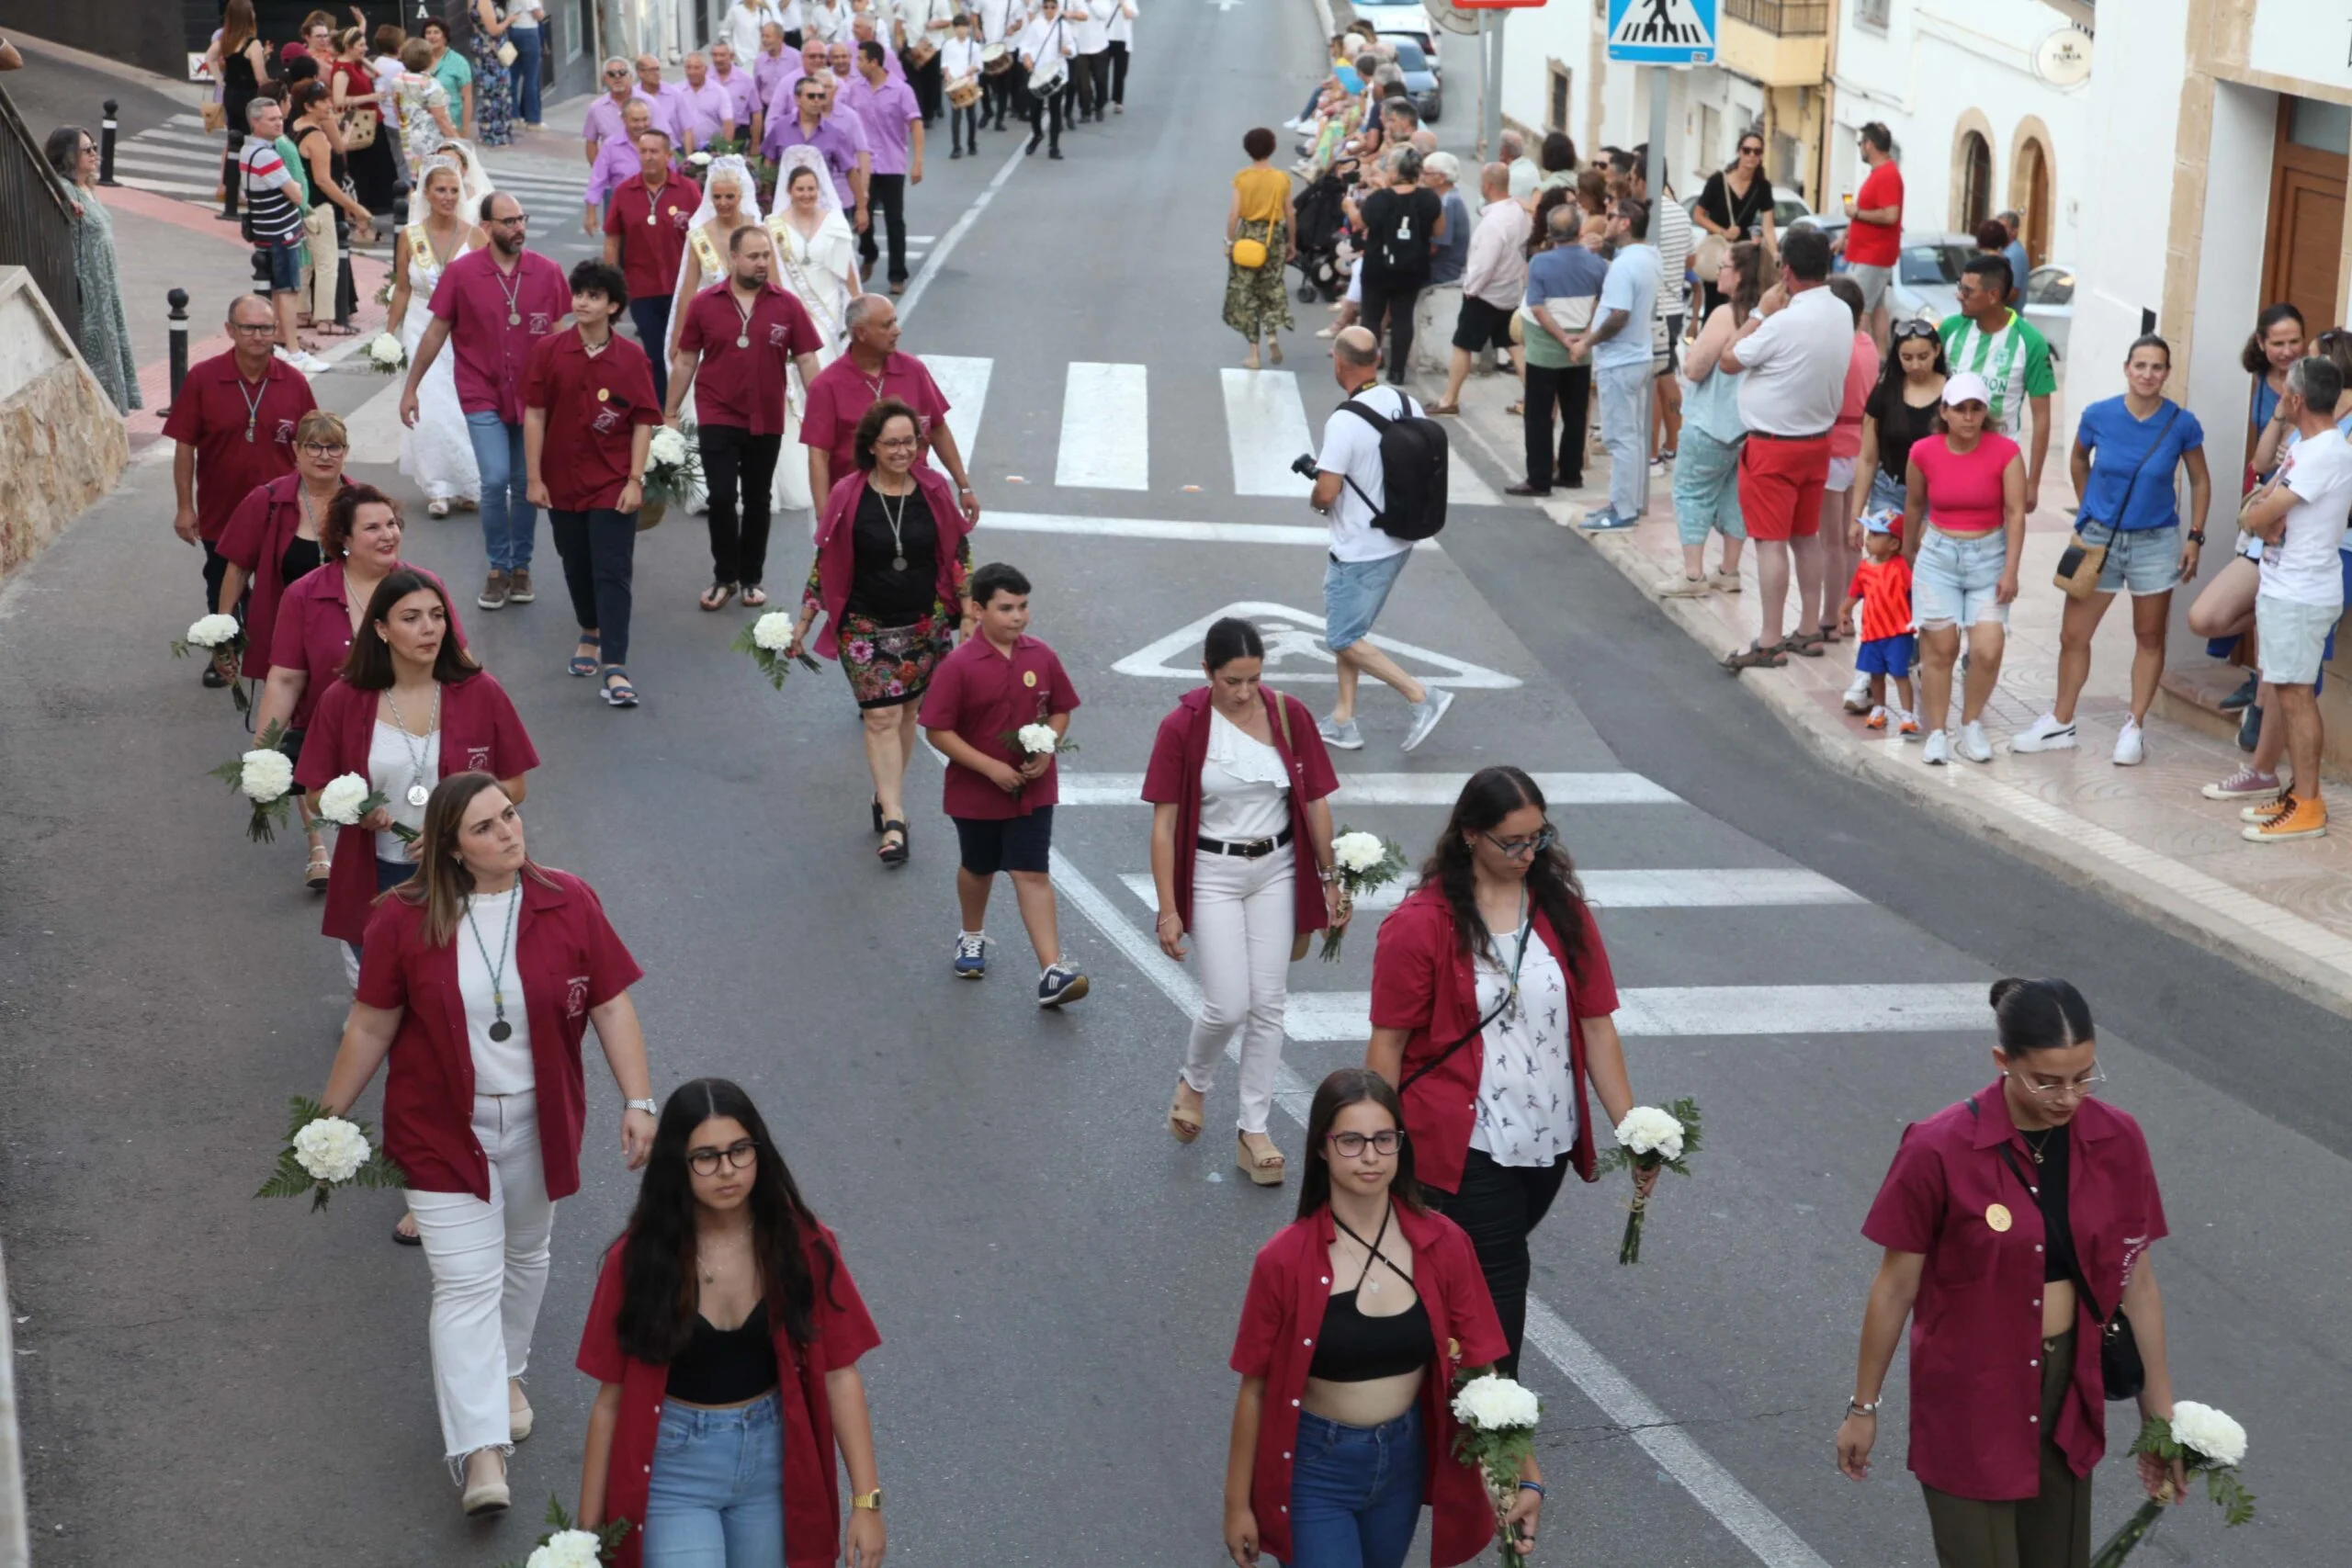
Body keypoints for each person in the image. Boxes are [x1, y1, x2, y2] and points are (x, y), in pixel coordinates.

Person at [317, 770, 650, 1514]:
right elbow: (371, 1023)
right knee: (466, 1281)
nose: (509, 832)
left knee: (526, 1253)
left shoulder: (568, 900)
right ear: (453, 849)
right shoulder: (401, 918)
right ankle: (481, 1453)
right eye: (486, 828)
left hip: (541, 1118)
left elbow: (610, 1003)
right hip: (441, 1127)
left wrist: (639, 1099)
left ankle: (506, 1369)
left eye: (508, 816)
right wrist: (328, 1116)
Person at [1838, 978, 2188, 1568]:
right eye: (2046, 1080)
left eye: (2083, 1077)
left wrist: (2160, 1421)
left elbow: (2138, 1284)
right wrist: (1862, 1408)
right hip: (1971, 1396)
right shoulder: (1939, 1148)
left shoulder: (2118, 1140)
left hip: (2069, 1389)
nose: (2067, 1096)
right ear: (2003, 1062)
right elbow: (1896, 1286)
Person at [1363, 767, 1648, 1377]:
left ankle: (1431, 1376)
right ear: (1471, 836)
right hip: (1466, 1142)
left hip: (1546, 1141)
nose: (1527, 853)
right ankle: (1499, 1430)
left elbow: (1597, 1025)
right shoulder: (1421, 924)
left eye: (1537, 838)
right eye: (1512, 841)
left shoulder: (1563, 913)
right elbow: (1388, 1044)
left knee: (1466, 1277)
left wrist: (1633, 1129)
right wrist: (1379, 1143)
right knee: (1500, 1275)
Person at [1222, 1068, 1540, 1568]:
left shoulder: (1446, 1244)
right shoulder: (1282, 1260)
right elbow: (1255, 1390)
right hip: (1315, 1471)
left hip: (1402, 1464)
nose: (1370, 1156)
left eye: (1384, 1139)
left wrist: (1524, 1475)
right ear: (1322, 1148)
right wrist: (1237, 1506)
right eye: (1351, 1140)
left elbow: (1483, 1370)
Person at [575, 1078, 888, 1566]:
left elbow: (840, 1375)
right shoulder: (636, 1261)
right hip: (674, 1475)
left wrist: (866, 1504)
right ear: (677, 1166)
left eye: (740, 1151)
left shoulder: (803, 1245)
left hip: (772, 1466)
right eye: (706, 1157)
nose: (727, 1170)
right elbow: (610, 1405)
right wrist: (585, 1536)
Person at [1145, 619, 1342, 1183]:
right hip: (1213, 872)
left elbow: (1317, 800)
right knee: (1227, 1004)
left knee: (1268, 1003)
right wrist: (1168, 907)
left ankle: (1254, 1130)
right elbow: (1165, 826)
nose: (1243, 692)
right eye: (1232, 680)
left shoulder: (1288, 714)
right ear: (1206, 671)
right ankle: (1195, 1082)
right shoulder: (1183, 727)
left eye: (1253, 679)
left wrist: (1331, 879)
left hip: (1277, 868)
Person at [296, 565, 536, 954]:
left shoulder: (481, 692)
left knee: (463, 993)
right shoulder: (342, 700)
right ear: (381, 629)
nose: (430, 628)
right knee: (383, 998)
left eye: (437, 615)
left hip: (468, 871)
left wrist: (449, 828)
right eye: (411, 618)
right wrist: (358, 810)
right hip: (379, 874)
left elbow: (516, 786)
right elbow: (315, 793)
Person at [784, 398, 975, 866]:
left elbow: (957, 553)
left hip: (924, 623)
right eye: (892, 443)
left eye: (910, 441)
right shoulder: (848, 494)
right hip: (864, 629)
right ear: (872, 446)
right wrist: (804, 623)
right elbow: (825, 564)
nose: (903, 450)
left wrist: (969, 613)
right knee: (881, 717)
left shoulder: (932, 489)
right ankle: (895, 818)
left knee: (907, 713)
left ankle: (884, 794)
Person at [2012, 336, 2213, 767]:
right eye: (2140, 365)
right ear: (2126, 368)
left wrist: (2195, 535)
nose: (2147, 374)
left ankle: (2134, 726)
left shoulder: (2181, 423)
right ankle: (2061, 721)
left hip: (2156, 542)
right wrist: (2088, 507)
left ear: (2167, 373)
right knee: (2073, 635)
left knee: (2149, 636)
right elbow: (2079, 458)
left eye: (2157, 367)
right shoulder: (2098, 415)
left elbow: (2199, 479)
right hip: (2097, 537)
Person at [918, 561, 1087, 1002]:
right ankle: (971, 933)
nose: (1018, 617)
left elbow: (1061, 709)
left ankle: (1052, 970)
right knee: (978, 866)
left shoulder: (1041, 656)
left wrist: (1047, 746)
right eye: (1006, 608)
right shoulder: (959, 665)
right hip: (976, 791)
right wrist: (989, 767)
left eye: (1023, 606)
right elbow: (937, 729)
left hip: (1033, 789)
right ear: (978, 610)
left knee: (1032, 871)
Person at [401, 191, 571, 612]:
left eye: (522, 219)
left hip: (533, 398)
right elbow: (437, 331)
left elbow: (560, 336)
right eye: (509, 221)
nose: (519, 228)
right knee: (495, 479)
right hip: (481, 391)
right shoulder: (462, 274)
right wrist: (411, 387)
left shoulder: (547, 272)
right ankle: (498, 566)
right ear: (488, 227)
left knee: (528, 481)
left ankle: (521, 566)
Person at [522, 261, 662, 709]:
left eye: (594, 295)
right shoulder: (549, 351)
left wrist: (635, 480)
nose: (582, 302)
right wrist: (534, 477)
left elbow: (643, 421)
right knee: (575, 562)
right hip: (562, 480)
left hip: (612, 481)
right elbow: (535, 414)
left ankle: (615, 665)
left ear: (613, 306)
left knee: (612, 569)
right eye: (579, 293)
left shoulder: (632, 359)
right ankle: (590, 629)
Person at [1307, 328, 1453, 753]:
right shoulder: (1406, 401)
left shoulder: (1344, 420)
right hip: (1397, 538)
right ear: (1377, 358)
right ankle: (1342, 719)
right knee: (1351, 627)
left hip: (1358, 549)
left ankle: (1422, 697)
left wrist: (1316, 499)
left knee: (1343, 636)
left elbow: (1327, 493)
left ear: (1339, 361)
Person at [666, 225, 825, 611]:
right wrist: (669, 412)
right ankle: (725, 575)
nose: (761, 263)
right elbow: (686, 359)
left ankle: (751, 577)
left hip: (766, 416)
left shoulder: (785, 305)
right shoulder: (706, 303)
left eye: (766, 256)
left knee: (757, 499)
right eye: (753, 256)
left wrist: (821, 409)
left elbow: (806, 358)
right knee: (721, 497)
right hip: (717, 412)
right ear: (733, 258)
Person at [1716, 226, 1850, 671]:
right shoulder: (1841, 312)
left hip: (1774, 445)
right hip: (1817, 443)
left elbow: (1729, 358)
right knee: (1805, 538)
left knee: (1771, 543)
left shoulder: (1784, 320)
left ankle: (1771, 637)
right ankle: (1809, 627)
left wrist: (1761, 311)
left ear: (1786, 271)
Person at [2232, 355, 2352, 841]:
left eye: (2286, 391)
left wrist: (2260, 511)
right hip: (2287, 589)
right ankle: (2298, 792)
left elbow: (2257, 516)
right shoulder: (2310, 446)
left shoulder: (2324, 452)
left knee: (2298, 697)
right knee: (2287, 690)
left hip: (2301, 593)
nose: (2280, 396)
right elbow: (2260, 506)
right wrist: (2261, 510)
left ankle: (2308, 803)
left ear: (2297, 400)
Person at [165, 295, 319, 665]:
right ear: (230, 330)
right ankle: (225, 654)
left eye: (266, 328)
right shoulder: (203, 378)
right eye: (248, 327)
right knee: (222, 584)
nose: (258, 336)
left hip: (281, 510)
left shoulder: (294, 382)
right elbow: (185, 446)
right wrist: (185, 507)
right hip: (223, 508)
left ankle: (284, 656)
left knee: (284, 583)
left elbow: (314, 446)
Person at [1904, 371, 2027, 766]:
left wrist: (2011, 569)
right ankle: (1936, 731)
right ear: (1944, 411)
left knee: (1988, 648)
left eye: (1976, 409)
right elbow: (1914, 504)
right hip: (1938, 555)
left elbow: (2015, 513)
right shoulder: (1923, 451)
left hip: (1989, 556)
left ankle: (1970, 722)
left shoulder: (2005, 452)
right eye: (1960, 409)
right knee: (1940, 648)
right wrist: (1908, 553)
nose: (1969, 418)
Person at [800, 295, 978, 519]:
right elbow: (818, 456)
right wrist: (825, 519)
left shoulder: (914, 370)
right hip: (857, 507)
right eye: (887, 325)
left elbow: (938, 429)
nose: (897, 330)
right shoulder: (826, 386)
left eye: (895, 321)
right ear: (861, 333)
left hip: (914, 499)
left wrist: (964, 487)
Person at [389, 155, 489, 517]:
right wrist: (388, 334)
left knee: (460, 405)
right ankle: (438, 486)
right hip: (420, 323)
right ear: (426, 194)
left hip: (461, 331)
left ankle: (467, 481)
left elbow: (486, 288)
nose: (448, 196)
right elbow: (401, 287)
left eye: (453, 190)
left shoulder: (475, 235)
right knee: (427, 405)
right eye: (440, 190)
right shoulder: (409, 237)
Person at [1663, 240, 1762, 594]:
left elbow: (1694, 368)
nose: (1718, 271)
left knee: (1691, 493)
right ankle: (1729, 570)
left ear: (1739, 275)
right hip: (1747, 428)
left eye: (1724, 266)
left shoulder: (1726, 315)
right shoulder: (1769, 318)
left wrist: (1691, 357)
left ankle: (1692, 574)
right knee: (1735, 494)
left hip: (1711, 423)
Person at [1938, 254, 2056, 508]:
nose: (1960, 296)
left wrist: (2033, 482)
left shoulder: (2031, 341)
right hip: (1949, 455)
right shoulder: (1949, 329)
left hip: (1999, 463)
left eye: (1967, 291)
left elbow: (2042, 418)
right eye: (1960, 287)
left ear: (1993, 295)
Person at [1571, 196, 1660, 532]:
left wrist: (1587, 342)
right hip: (1638, 356)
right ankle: (1628, 502)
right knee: (1633, 437)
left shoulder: (1625, 266)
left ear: (1624, 223)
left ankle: (1621, 511)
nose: (1605, 221)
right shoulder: (1647, 257)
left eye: (1611, 216)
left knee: (1620, 439)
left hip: (1620, 361)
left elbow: (1619, 315)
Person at [1508, 204, 1605, 499]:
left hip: (1545, 351)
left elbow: (1537, 306)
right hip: (1581, 351)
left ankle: (1539, 478)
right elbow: (1602, 300)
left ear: (1551, 234)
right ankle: (1570, 472)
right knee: (1576, 414)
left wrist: (1562, 338)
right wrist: (1584, 336)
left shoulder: (1539, 263)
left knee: (1539, 415)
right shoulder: (1598, 264)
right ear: (1579, 231)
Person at [602, 128, 702, 410]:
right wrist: (611, 290)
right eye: (643, 151)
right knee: (655, 353)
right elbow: (612, 242)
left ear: (668, 156)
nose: (648, 157)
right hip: (642, 289)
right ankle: (661, 412)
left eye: (654, 151)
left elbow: (701, 239)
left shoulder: (688, 190)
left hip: (682, 289)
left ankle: (686, 409)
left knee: (683, 350)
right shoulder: (624, 192)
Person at [42, 127, 139, 414]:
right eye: (87, 149)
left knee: (112, 337)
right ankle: (99, 407)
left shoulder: (88, 188)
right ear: (68, 155)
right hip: (87, 283)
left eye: (95, 147)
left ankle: (114, 405)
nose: (95, 153)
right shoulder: (64, 188)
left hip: (105, 282)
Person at [1808, 276, 1881, 650]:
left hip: (1834, 443)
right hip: (1863, 447)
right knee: (1853, 538)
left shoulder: (1836, 349)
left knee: (1830, 540)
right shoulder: (1868, 344)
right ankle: (1848, 613)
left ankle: (1829, 616)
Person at [235, 97, 328, 373]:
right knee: (288, 291)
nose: (279, 122)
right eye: (272, 119)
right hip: (280, 232)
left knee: (281, 290)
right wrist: (296, 182)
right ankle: (293, 351)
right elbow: (298, 195)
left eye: (279, 117)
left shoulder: (248, 150)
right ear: (255, 122)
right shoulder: (266, 155)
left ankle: (280, 343)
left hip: (267, 230)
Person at [1428, 164, 1526, 419]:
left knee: (1462, 345)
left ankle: (1450, 399)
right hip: (1510, 291)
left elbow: (1485, 264)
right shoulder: (1518, 212)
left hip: (1486, 295)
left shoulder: (1494, 222)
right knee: (1515, 346)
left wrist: (1471, 289)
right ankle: (1535, 399)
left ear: (1489, 186)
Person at [290, 81, 375, 338]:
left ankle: (302, 313)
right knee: (327, 264)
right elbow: (324, 180)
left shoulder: (295, 128)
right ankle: (326, 319)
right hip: (319, 207)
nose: (330, 104)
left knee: (306, 263)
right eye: (323, 101)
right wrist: (355, 207)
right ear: (308, 106)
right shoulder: (316, 137)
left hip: (301, 205)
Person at [1354, 148, 1442, 386]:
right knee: (1403, 316)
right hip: (1412, 266)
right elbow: (1438, 231)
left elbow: (1359, 222)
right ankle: (1398, 371)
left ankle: (1368, 368)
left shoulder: (1380, 199)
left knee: (1372, 317)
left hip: (1377, 266)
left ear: (1396, 171)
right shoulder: (1429, 199)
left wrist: (1348, 207)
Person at [1625, 149, 1689, 468]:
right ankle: (1673, 444)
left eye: (1634, 177)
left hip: (1653, 310)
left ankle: (1650, 452)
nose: (1631, 184)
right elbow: (1688, 260)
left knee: (1650, 381)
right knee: (1666, 376)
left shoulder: (1647, 216)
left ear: (1644, 180)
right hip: (1675, 306)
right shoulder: (1680, 213)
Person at [845, 40, 923, 295]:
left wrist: (917, 162)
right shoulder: (854, 90)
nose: (856, 65)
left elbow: (915, 124)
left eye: (861, 60)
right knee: (862, 216)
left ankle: (897, 275)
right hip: (863, 167)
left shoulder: (901, 90)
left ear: (874, 62)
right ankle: (869, 252)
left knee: (894, 219)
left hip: (891, 163)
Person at [1223, 128, 1296, 371]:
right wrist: (1291, 242)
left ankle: (1253, 352)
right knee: (1271, 286)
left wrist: (1229, 241)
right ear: (1272, 148)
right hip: (1272, 237)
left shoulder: (1242, 178)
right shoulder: (1281, 179)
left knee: (1247, 292)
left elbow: (1234, 214)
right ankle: (1272, 334)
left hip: (1247, 238)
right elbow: (1290, 213)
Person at [1838, 513, 1917, 734]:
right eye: (1869, 534)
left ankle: (1907, 714)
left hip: (1898, 633)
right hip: (1872, 633)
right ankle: (1879, 709)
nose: (1869, 539)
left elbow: (1914, 592)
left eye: (1875, 535)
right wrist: (1844, 610)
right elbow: (1855, 592)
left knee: (1900, 674)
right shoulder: (1864, 567)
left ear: (1894, 543)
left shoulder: (1900, 566)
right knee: (1876, 675)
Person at [766, 71, 871, 231]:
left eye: (821, 96)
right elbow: (768, 164)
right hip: (786, 207)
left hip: (823, 209)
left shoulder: (834, 133)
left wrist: (862, 208)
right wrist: (765, 199)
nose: (816, 101)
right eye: (811, 96)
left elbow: (850, 171)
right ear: (797, 99)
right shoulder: (780, 128)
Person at [1692, 130, 1775, 314]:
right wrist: (1723, 232)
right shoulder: (1717, 181)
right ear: (1739, 152)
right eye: (1747, 150)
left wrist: (1774, 255)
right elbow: (1698, 215)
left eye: (1757, 151)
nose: (1752, 156)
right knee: (1715, 304)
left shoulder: (1762, 187)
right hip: (1718, 252)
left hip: (1744, 255)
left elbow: (1768, 227)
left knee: (1741, 306)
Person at [1843, 121, 1903, 352]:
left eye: (1860, 143)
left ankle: (1859, 356)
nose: (1860, 148)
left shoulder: (1887, 175)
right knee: (1877, 307)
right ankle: (1878, 358)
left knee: (1859, 310)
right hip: (1869, 252)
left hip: (1872, 254)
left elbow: (1890, 215)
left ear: (1869, 145)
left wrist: (1856, 212)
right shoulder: (1881, 173)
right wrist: (1846, 236)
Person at [214, 0, 268, 221]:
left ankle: (228, 188)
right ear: (249, 17)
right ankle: (251, 191)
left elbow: (209, 58)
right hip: (248, 97)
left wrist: (221, 81)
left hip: (231, 95)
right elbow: (260, 77)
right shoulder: (252, 44)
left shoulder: (226, 40)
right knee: (253, 143)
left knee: (233, 141)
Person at [1017, 0, 1076, 159]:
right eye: (1046, 7)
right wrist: (1026, 57)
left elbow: (1073, 47)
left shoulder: (1063, 25)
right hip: (1038, 73)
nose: (1049, 10)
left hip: (1057, 73)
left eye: (1053, 7)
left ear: (1057, 8)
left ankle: (1054, 147)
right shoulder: (1035, 24)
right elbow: (1024, 45)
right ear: (1042, 8)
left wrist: (1068, 50)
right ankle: (1037, 134)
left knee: (1055, 110)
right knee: (1035, 110)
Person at [394, 39, 462, 176]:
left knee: (416, 178)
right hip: (431, 140)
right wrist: (458, 142)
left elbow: (397, 108)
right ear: (429, 59)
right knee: (434, 177)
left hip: (407, 136)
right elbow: (441, 118)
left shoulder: (398, 79)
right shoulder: (432, 85)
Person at [582, 56, 652, 164]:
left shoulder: (649, 102)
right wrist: (599, 171)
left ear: (630, 76)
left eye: (622, 72)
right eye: (611, 74)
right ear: (605, 78)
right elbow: (591, 142)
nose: (617, 77)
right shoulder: (596, 108)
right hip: (613, 173)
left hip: (644, 169)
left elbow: (663, 137)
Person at [467, 0, 516, 146]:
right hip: (492, 53)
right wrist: (509, 20)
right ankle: (497, 135)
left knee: (487, 92)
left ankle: (487, 132)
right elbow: (493, 29)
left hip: (483, 49)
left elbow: (476, 24)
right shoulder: (484, 2)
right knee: (498, 93)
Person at [420, 16, 475, 140]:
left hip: (451, 125)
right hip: (424, 126)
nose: (432, 36)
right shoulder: (419, 60)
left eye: (436, 32)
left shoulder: (459, 62)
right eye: (428, 33)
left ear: (445, 36)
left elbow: (467, 97)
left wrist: (465, 129)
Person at [674, 51, 739, 152]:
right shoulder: (676, 91)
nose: (692, 72)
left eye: (697, 68)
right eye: (688, 67)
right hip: (681, 149)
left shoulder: (719, 92)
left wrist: (725, 152)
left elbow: (728, 124)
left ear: (706, 69)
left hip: (711, 149)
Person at [1105, 0, 1136, 113]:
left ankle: (1118, 101)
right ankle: (1101, 99)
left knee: (1120, 73)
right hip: (1105, 39)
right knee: (1101, 72)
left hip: (1123, 40)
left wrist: (1122, 3)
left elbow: (1130, 15)